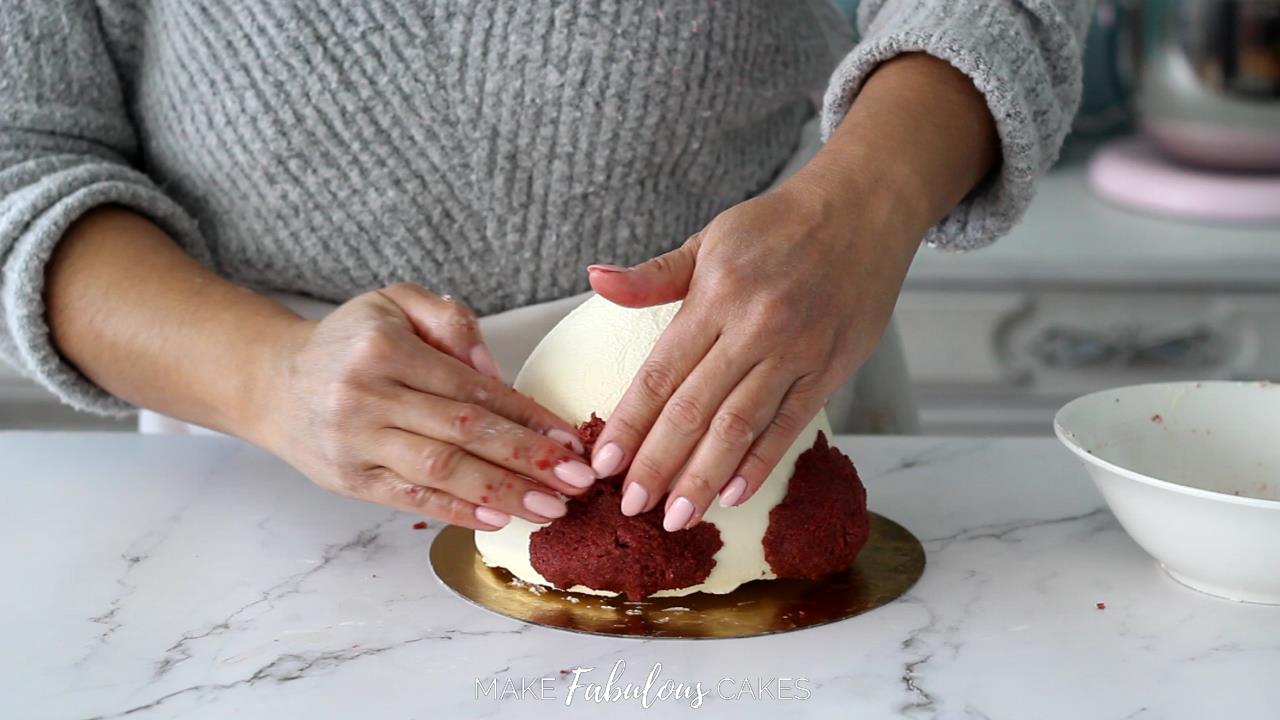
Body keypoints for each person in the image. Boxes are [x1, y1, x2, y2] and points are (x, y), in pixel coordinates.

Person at [0, 2, 1091, 534]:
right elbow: (21, 156)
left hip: (758, 384)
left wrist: (867, 199)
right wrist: (269, 379)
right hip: (265, 466)